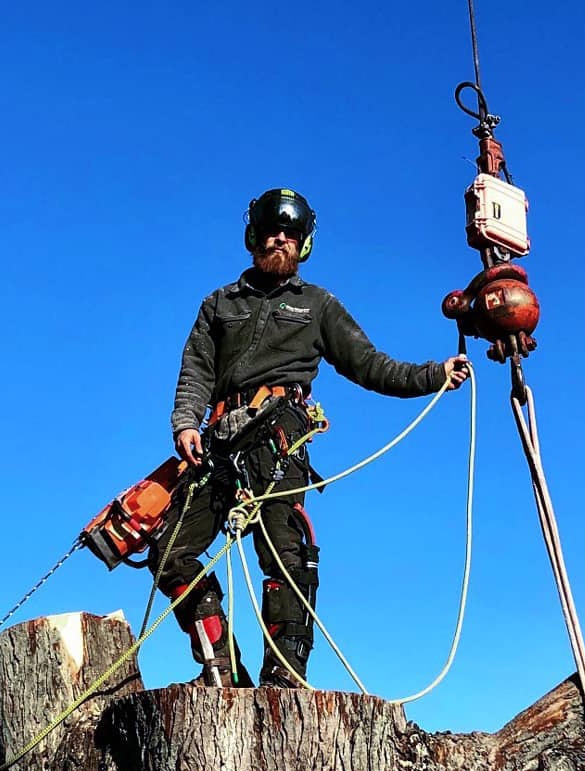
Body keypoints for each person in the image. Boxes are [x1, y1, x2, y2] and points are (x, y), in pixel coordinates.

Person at [149, 188, 469, 688]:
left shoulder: (318, 306)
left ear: (305, 244)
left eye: (292, 233)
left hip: (279, 436)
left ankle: (285, 676)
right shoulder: (218, 304)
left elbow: (370, 365)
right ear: (253, 235)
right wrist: (186, 422)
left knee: (285, 553)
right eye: (273, 230)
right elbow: (196, 371)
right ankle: (222, 671)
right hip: (218, 443)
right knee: (169, 550)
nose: (282, 238)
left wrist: (435, 374)